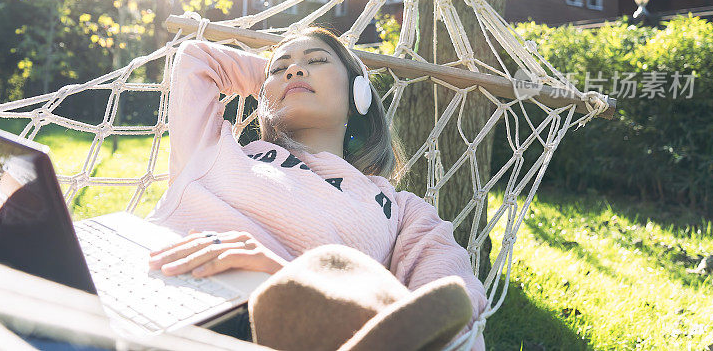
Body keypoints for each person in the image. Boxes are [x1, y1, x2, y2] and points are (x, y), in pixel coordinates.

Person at [146, 26, 488, 350]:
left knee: (333, 270)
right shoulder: (213, 147)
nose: (294, 70)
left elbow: (449, 295)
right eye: (281, 68)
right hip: (162, 290)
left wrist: (281, 274)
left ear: (360, 94)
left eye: (317, 60)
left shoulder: (399, 209)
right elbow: (196, 60)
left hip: (282, 328)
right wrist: (270, 83)